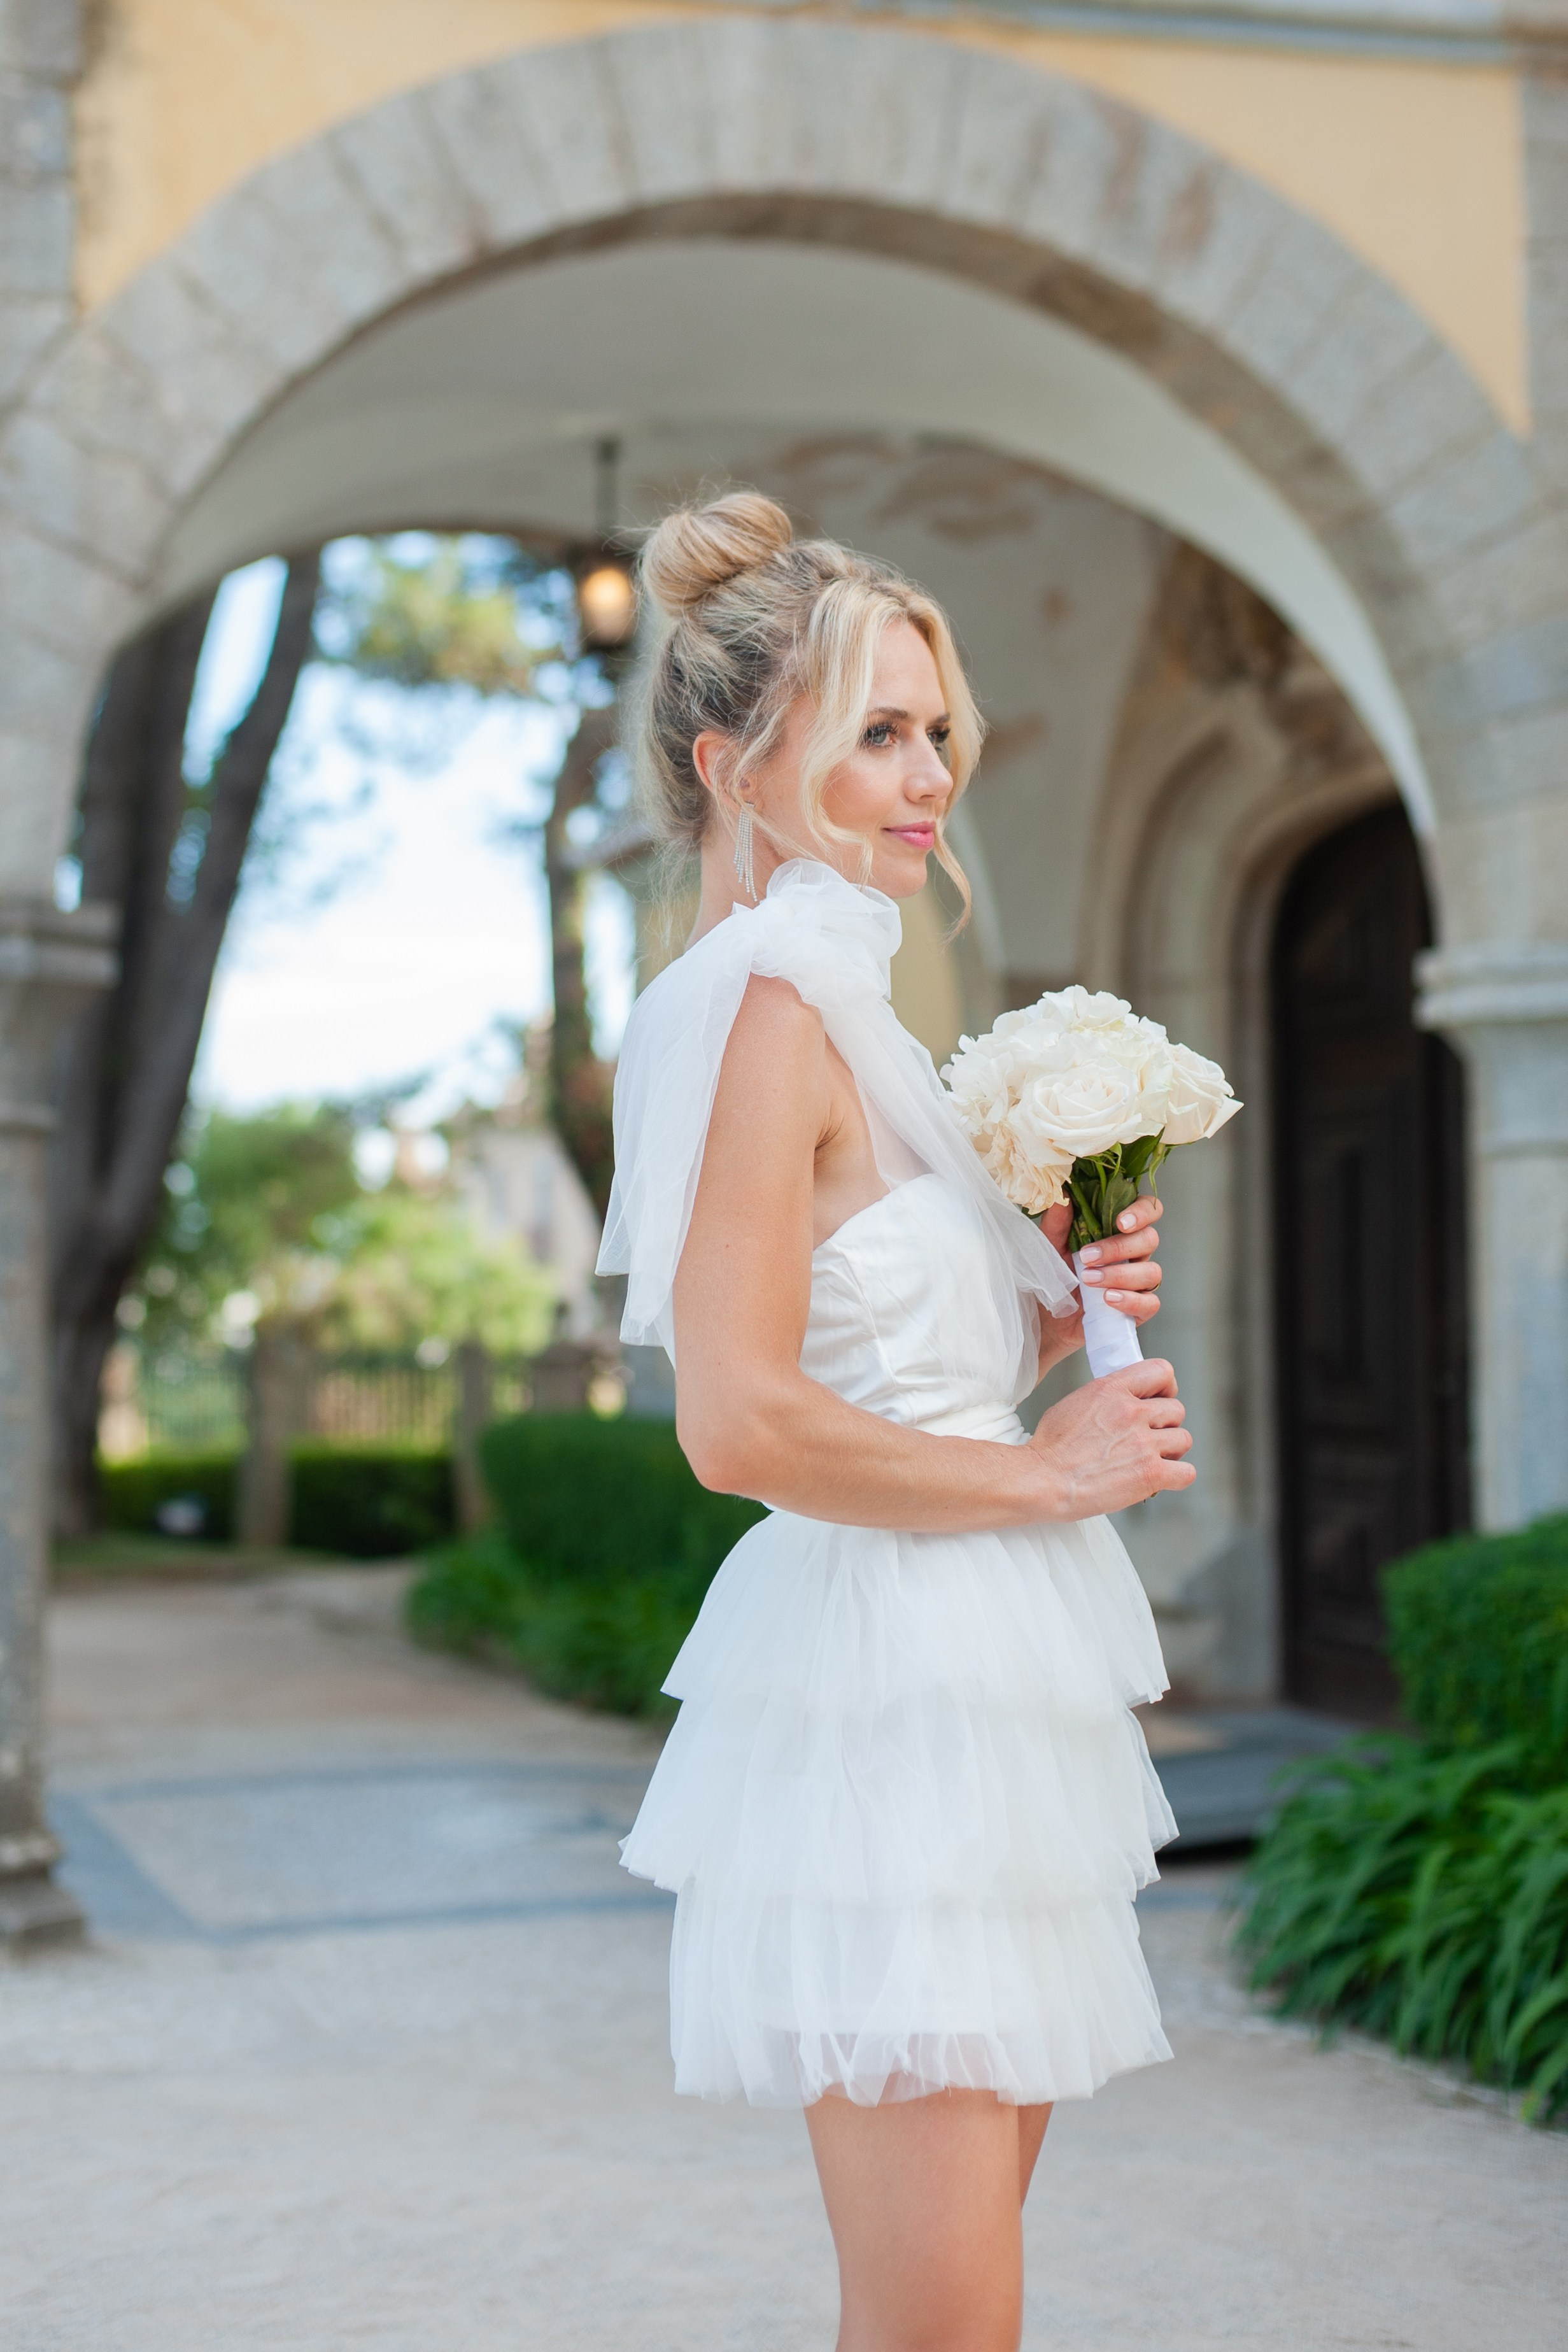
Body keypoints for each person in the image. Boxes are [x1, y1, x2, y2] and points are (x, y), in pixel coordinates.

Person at [598, 492, 1193, 2352]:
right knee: (944, 2327)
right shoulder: (758, 1005)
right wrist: (1042, 1466)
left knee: (952, 2313)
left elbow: (888, 1369)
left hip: (983, 1676)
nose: (929, 772)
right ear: (733, 764)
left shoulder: (859, 1010)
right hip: (890, 1708)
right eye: (876, 731)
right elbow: (738, 1421)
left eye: (935, 727)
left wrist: (1059, 1276)